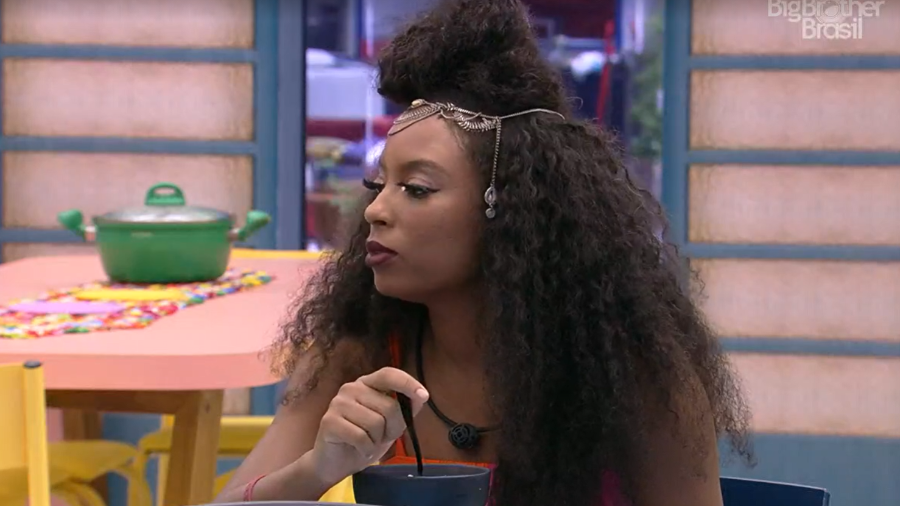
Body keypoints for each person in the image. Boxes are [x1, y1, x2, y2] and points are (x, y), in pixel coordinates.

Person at [214, 0, 753, 505]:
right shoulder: (359, 350)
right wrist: (316, 470)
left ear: (509, 210)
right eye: (378, 185)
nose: (376, 211)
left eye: (416, 189)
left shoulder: (635, 375)